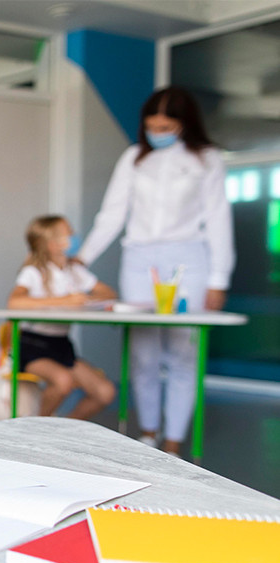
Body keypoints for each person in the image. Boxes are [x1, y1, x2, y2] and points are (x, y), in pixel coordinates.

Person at [76, 86, 235, 457]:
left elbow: (218, 219)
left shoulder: (207, 159)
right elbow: (111, 214)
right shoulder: (134, 158)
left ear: (184, 124)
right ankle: (149, 433)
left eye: (166, 127)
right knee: (143, 352)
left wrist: (219, 278)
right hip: (140, 260)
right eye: (152, 126)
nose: (157, 133)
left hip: (189, 260)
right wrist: (81, 258)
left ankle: (174, 441)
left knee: (183, 351)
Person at [7, 215, 117, 419]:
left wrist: (85, 299)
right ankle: (35, 428)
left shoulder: (74, 271)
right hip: (32, 345)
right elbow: (14, 302)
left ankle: (64, 429)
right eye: (69, 233)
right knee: (63, 381)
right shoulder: (34, 272)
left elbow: (109, 293)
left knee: (105, 392)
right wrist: (64, 300)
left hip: (62, 346)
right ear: (51, 244)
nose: (74, 236)